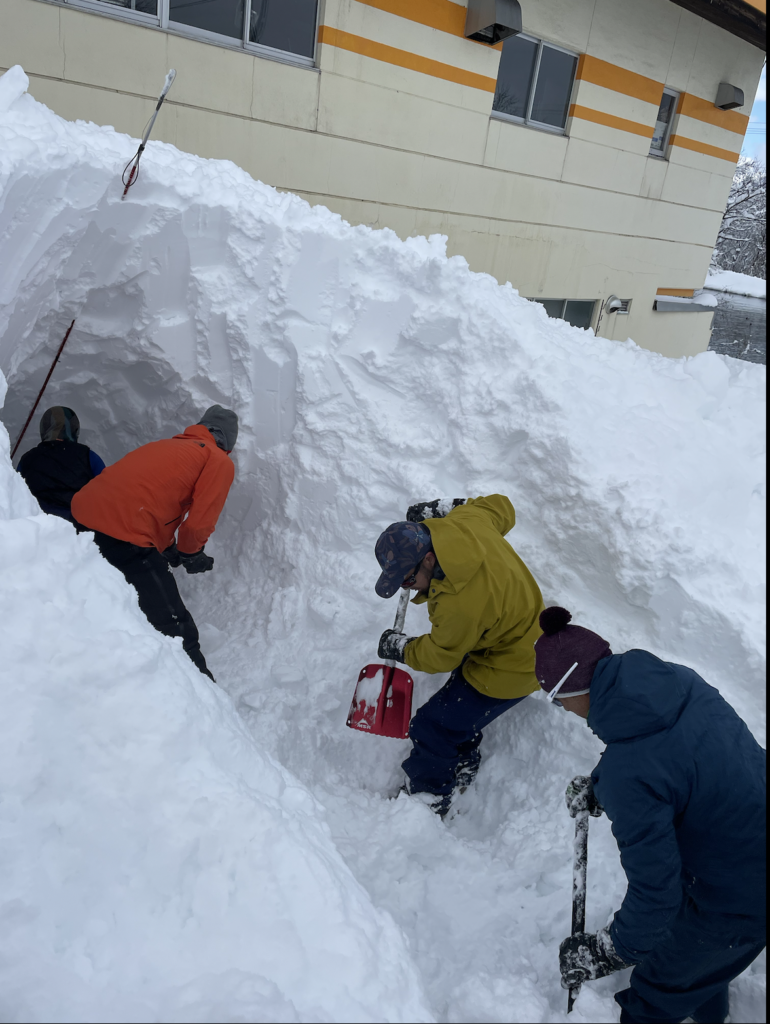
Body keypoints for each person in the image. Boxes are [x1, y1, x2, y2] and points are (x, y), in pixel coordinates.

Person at [534, 605, 766, 1024]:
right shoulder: (677, 681)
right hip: (746, 841)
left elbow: (656, 896)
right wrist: (601, 784)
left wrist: (605, 951)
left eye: (557, 702)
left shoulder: (630, 773)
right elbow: (667, 758)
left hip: (741, 894)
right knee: (695, 970)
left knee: (655, 996)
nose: (564, 712)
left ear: (570, 692)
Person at [374, 495, 544, 816]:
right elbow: (501, 506)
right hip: (514, 632)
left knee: (432, 726)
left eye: (408, 580)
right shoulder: (465, 524)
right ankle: (462, 760)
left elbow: (441, 655)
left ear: (427, 560)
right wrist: (453, 509)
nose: (406, 588)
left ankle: (429, 800)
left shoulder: (458, 602)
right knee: (457, 706)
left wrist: (402, 648)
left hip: (515, 665)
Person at [71, 405, 238, 681]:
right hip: (124, 532)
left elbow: (148, 498)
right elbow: (198, 523)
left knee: (101, 601)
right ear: (227, 445)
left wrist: (167, 546)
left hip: (82, 518)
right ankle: (204, 696)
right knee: (174, 625)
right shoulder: (217, 460)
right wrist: (190, 553)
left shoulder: (168, 446)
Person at [16, 406, 106, 523]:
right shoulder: (88, 456)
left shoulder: (28, 458)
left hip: (35, 524)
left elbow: (15, 493)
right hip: (79, 527)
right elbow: (107, 492)